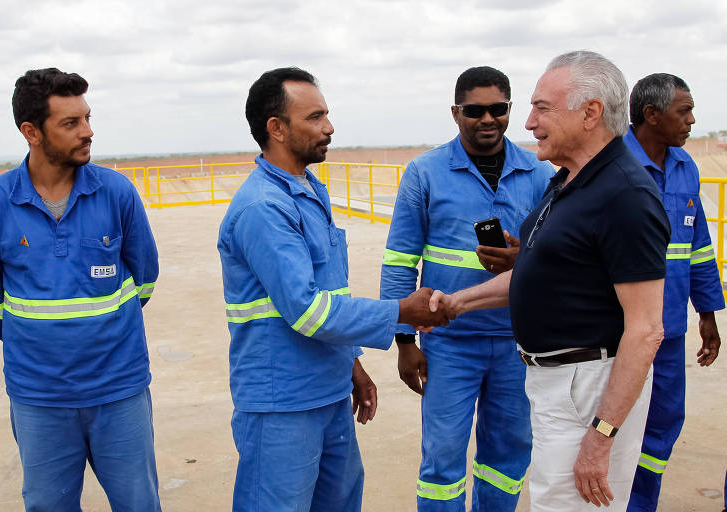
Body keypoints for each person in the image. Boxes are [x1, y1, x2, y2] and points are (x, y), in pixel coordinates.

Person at [428, 50, 671, 511]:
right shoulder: (568, 182)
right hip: (558, 385)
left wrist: (601, 438)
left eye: (543, 108)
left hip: (590, 389)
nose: (529, 123)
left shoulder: (626, 195)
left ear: (590, 113)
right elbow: (535, 276)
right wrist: (456, 303)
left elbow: (646, 329)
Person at [217, 67, 448, 512]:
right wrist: (402, 310)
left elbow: (330, 293)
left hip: (326, 391)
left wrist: (352, 365)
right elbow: (307, 311)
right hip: (281, 402)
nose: (329, 127)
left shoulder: (309, 191)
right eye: (316, 117)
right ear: (277, 128)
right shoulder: (264, 208)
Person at [0, 68, 161, 511]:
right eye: (70, 124)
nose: (88, 132)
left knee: (138, 502)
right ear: (31, 132)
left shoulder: (116, 193)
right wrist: (33, 340)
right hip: (40, 397)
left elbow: (144, 277)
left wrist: (104, 329)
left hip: (119, 389)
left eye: (87, 118)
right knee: (48, 504)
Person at [379, 66, 553, 511]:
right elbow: (400, 259)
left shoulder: (537, 172)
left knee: (509, 453)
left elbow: (557, 256)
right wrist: (404, 340)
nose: (487, 119)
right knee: (442, 459)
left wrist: (523, 260)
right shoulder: (425, 172)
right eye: (475, 110)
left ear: (510, 110)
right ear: (456, 113)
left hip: (518, 343)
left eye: (498, 109)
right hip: (447, 343)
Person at [623, 73, 724, 511]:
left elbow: (698, 247)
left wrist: (707, 313)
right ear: (652, 114)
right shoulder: (611, 166)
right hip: (618, 333)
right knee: (614, 423)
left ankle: (641, 504)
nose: (692, 120)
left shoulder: (686, 167)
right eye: (684, 111)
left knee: (663, 423)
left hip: (669, 331)